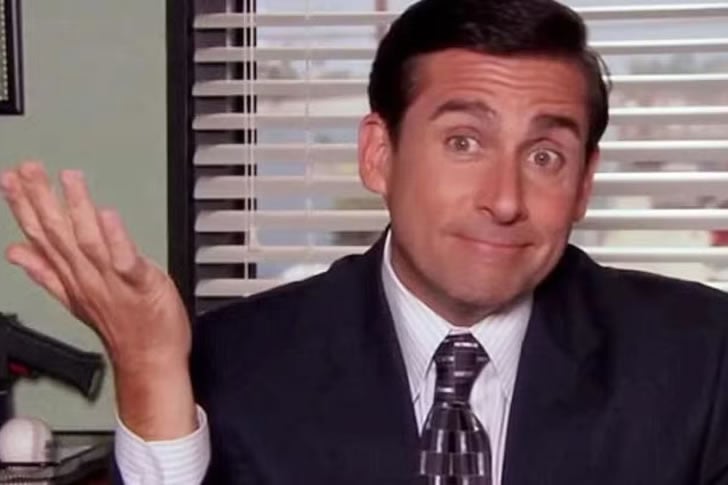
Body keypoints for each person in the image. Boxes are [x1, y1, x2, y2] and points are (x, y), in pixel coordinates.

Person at [3, 0, 728, 483]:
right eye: (464, 142)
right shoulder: (235, 363)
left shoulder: (700, 359)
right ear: (379, 155)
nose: (506, 200)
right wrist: (149, 369)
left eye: (545, 156)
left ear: (584, 182)